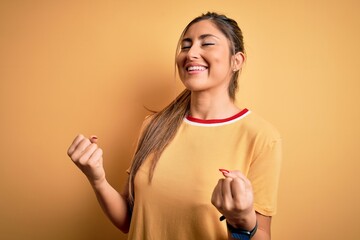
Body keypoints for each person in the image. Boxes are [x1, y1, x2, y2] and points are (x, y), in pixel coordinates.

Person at [67, 12, 282, 240]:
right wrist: (97, 179)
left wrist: (242, 221)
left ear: (236, 61)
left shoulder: (261, 137)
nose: (191, 53)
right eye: (185, 46)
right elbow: (129, 220)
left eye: (207, 43)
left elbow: (261, 235)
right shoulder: (154, 126)